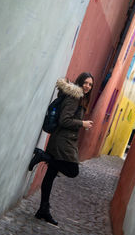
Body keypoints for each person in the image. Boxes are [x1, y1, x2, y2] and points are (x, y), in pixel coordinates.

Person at [28, 72, 94, 225]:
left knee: (50, 174)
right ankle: (43, 156)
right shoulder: (74, 97)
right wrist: (82, 124)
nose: (87, 86)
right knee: (72, 170)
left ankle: (43, 210)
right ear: (79, 82)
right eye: (85, 82)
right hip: (63, 141)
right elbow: (65, 120)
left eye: (90, 84)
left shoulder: (79, 98)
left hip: (62, 139)